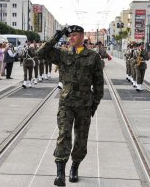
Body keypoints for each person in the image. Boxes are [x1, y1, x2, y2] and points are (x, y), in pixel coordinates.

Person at [37, 25, 104, 186]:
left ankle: (75, 167)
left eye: (74, 35)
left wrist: (94, 104)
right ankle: (60, 173)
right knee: (63, 135)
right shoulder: (62, 54)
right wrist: (57, 35)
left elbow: (99, 83)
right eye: (69, 36)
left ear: (82, 36)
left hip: (84, 103)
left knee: (81, 138)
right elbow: (40, 53)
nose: (71, 38)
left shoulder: (93, 56)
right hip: (66, 102)